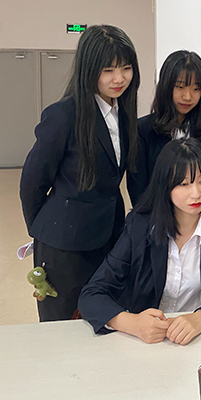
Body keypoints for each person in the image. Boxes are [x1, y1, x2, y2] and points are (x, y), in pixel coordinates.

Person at [78, 138, 201, 345]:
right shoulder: (139, 226)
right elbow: (91, 294)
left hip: (200, 339)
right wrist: (132, 323)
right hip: (145, 342)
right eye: (184, 184)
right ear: (165, 185)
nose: (196, 194)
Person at [19, 25, 140, 322]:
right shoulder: (63, 115)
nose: (119, 78)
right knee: (63, 322)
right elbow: (32, 182)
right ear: (89, 69)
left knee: (103, 315)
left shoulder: (123, 113)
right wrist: (45, 231)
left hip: (109, 235)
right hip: (65, 243)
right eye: (108, 70)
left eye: (126, 68)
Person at [128, 50, 201, 209]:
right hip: (156, 218)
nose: (188, 96)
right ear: (166, 87)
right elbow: (138, 187)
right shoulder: (143, 130)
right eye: (180, 87)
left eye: (196, 89)